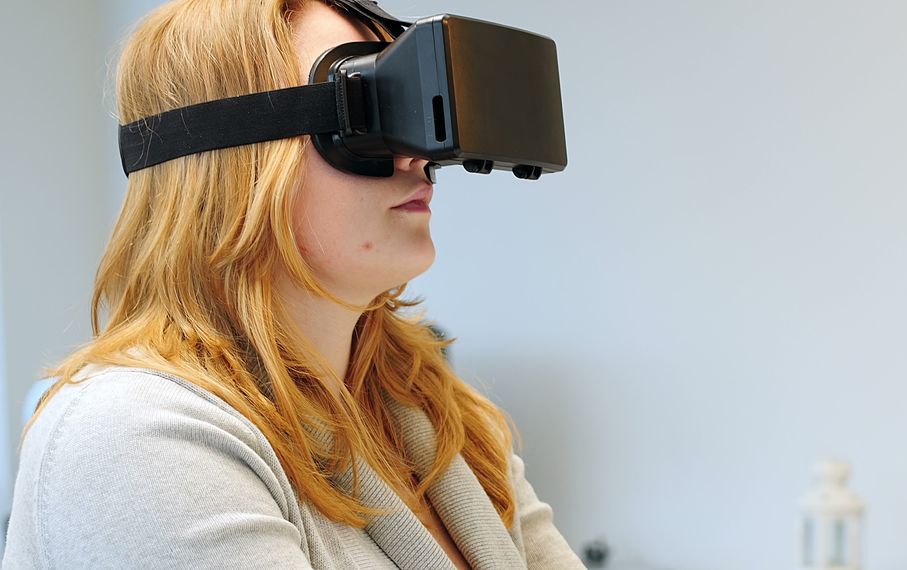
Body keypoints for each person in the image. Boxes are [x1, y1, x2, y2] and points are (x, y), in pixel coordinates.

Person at [1, 1, 585, 568]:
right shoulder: (132, 437)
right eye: (368, 110)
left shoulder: (439, 411)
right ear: (234, 160)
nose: (418, 159)